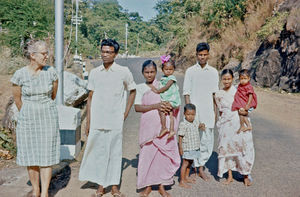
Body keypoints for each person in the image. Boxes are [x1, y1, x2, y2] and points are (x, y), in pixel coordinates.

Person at [78, 39, 136, 197]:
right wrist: (88, 122)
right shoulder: (95, 73)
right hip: (97, 120)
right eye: (103, 51)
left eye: (109, 52)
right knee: (99, 153)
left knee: (114, 153)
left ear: (115, 54)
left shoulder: (123, 71)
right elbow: (90, 97)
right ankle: (100, 186)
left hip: (115, 120)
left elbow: (132, 90)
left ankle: (115, 187)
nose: (105, 55)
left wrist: (125, 113)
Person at [11, 40, 60, 197]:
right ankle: (36, 190)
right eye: (43, 53)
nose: (47, 56)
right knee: (31, 155)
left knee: (46, 155)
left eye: (47, 53)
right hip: (28, 118)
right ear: (32, 55)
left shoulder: (51, 72)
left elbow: (53, 95)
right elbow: (18, 100)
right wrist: (28, 112)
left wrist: (42, 107)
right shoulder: (20, 74)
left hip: (48, 115)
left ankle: (45, 192)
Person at [135, 60, 181, 197]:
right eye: (147, 72)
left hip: (164, 126)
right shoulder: (140, 88)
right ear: (143, 73)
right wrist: (156, 106)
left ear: (156, 72)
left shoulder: (163, 84)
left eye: (152, 72)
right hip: (148, 127)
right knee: (147, 156)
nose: (149, 75)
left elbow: (174, 99)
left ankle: (162, 185)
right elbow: (137, 108)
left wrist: (169, 106)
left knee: (163, 157)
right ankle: (148, 186)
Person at [183, 42, 219, 181]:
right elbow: (186, 93)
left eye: (205, 55)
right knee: (193, 140)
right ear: (196, 55)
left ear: (208, 55)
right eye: (200, 55)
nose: (202, 57)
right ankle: (192, 167)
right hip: (194, 112)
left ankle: (201, 166)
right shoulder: (190, 71)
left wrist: (215, 113)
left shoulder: (214, 72)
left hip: (208, 112)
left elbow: (215, 95)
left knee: (207, 141)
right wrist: (189, 114)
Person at [214, 69, 255, 186]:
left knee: (244, 148)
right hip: (226, 124)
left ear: (232, 79)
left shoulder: (238, 90)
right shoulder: (218, 94)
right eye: (224, 79)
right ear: (221, 79)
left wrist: (246, 116)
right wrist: (220, 124)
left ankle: (245, 175)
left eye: (229, 79)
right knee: (227, 148)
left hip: (238, 121)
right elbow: (220, 111)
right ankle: (230, 175)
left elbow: (249, 102)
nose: (226, 81)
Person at [150, 55, 181, 139]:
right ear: (163, 70)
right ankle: (170, 130)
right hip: (167, 98)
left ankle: (165, 128)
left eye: (171, 69)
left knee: (163, 110)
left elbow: (166, 87)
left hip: (172, 99)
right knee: (170, 114)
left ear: (173, 69)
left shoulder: (171, 78)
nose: (168, 71)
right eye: (166, 69)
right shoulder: (163, 78)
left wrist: (158, 91)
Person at [178, 103, 204, 188]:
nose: (190, 116)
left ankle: (186, 177)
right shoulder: (183, 124)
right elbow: (180, 136)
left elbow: (198, 127)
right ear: (184, 114)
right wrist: (180, 148)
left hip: (194, 147)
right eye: (188, 114)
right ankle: (181, 181)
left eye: (193, 114)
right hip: (187, 147)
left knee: (190, 162)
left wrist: (201, 126)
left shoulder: (195, 122)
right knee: (185, 163)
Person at [231, 69, 257, 133]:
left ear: (248, 79)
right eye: (241, 78)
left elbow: (251, 96)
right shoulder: (240, 85)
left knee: (241, 113)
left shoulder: (248, 86)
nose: (243, 80)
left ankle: (242, 126)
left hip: (247, 103)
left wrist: (248, 105)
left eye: (245, 78)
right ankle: (248, 125)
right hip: (242, 101)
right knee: (241, 113)